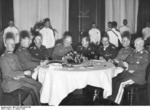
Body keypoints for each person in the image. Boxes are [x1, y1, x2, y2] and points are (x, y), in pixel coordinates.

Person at [0, 33, 42, 104]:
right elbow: (8, 73)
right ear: (5, 44)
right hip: (10, 83)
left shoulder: (14, 56)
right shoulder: (3, 58)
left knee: (39, 85)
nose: (13, 46)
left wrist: (25, 74)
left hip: (19, 79)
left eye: (13, 44)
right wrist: (23, 73)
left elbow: (20, 68)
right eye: (10, 44)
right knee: (33, 89)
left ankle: (35, 104)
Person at [108, 37, 150, 104]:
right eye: (135, 43)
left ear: (142, 44)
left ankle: (116, 103)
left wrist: (129, 67)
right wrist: (119, 63)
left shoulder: (146, 54)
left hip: (138, 77)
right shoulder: (133, 52)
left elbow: (143, 67)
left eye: (136, 44)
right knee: (115, 79)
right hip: (129, 73)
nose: (135, 45)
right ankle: (111, 99)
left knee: (121, 83)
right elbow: (126, 61)